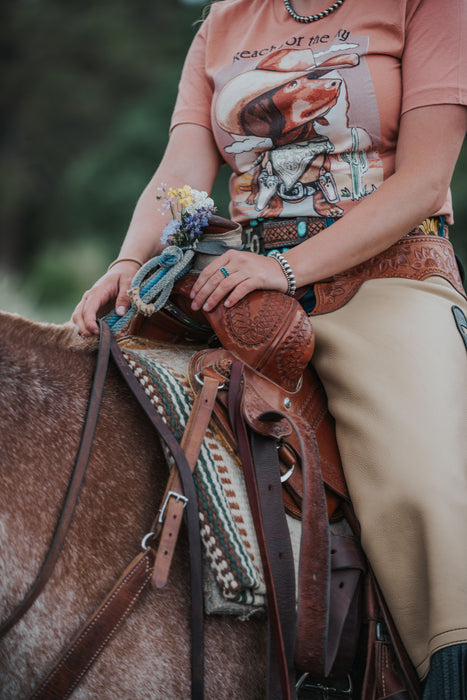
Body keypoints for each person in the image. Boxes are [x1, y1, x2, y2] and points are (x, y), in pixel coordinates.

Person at [72, 0, 467, 695]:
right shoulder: (224, 21)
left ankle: (450, 666)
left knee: (419, 488)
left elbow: (423, 182)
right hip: (239, 279)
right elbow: (183, 171)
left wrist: (287, 268)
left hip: (383, 274)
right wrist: (128, 263)